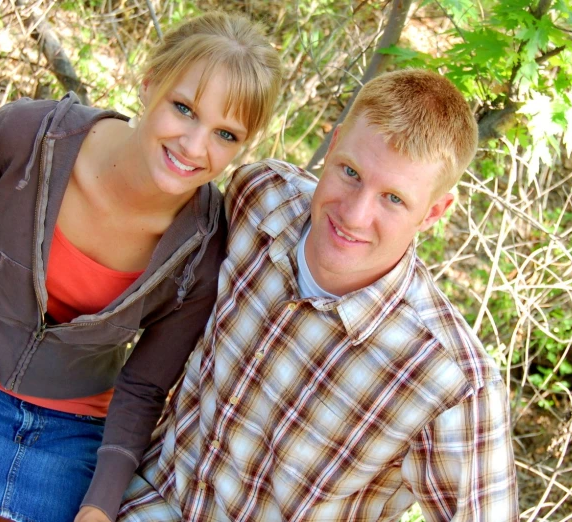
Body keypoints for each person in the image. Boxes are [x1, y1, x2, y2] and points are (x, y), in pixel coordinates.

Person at [0, 12, 281, 522]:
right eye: (184, 108)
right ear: (150, 83)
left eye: (226, 135)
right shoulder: (28, 136)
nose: (194, 146)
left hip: (72, 436)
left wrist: (100, 503)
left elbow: (143, 386)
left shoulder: (203, 249)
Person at [113, 69, 519, 520]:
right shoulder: (259, 199)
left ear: (434, 212)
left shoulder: (451, 381)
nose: (355, 214)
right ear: (336, 141)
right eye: (350, 172)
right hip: (140, 500)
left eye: (394, 199)